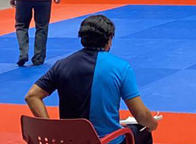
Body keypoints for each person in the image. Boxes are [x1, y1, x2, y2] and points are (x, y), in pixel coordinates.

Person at [24, 15, 158, 144]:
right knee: (143, 132)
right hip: (106, 141)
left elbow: (32, 96)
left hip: (68, 141)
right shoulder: (121, 67)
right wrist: (152, 124)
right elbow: (141, 115)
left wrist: (50, 130)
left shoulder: (61, 64)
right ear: (109, 39)